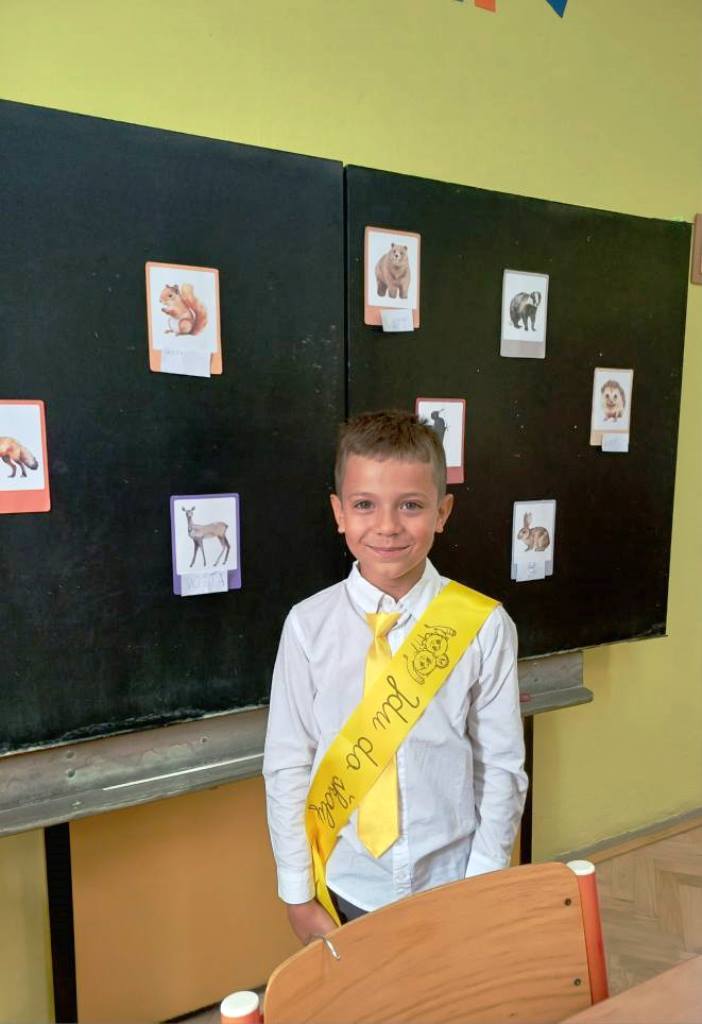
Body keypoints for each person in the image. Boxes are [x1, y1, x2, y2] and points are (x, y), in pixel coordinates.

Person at [263, 410, 527, 944]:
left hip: (452, 880)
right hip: (347, 884)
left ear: (442, 512)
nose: (387, 526)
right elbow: (289, 763)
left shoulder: (484, 626)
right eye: (365, 504)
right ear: (339, 513)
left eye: (411, 505)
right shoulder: (308, 626)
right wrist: (297, 892)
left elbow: (500, 767)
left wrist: (481, 881)